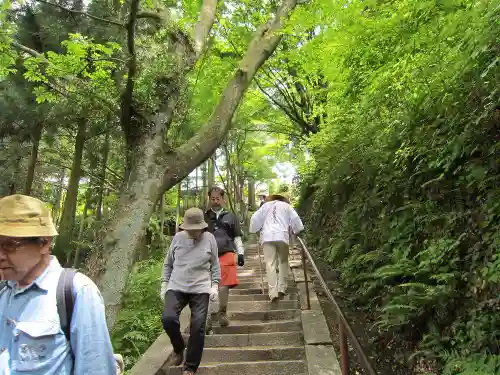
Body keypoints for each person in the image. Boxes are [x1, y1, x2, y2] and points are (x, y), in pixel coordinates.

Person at [0, 194, 116, 375]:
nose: (0, 255)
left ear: (44, 242)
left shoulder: (76, 292)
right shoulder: (4, 291)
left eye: (9, 245)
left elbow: (96, 369)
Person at [160, 207, 220, 375]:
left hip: (201, 287)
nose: (194, 233)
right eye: (190, 230)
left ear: (203, 227)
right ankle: (179, 348)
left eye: (197, 230)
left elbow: (215, 265)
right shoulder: (178, 238)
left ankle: (190, 367)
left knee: (198, 326)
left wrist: (214, 285)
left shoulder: (209, 239)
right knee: (168, 319)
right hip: (177, 285)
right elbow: (168, 263)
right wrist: (164, 284)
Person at [249, 192, 304, 302]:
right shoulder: (286, 206)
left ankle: (272, 292)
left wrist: (254, 230)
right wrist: (296, 230)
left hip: (267, 236)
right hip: (282, 236)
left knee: (270, 264)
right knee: (283, 262)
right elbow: (296, 219)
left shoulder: (264, 206)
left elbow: (254, 218)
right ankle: (282, 288)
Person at [204, 187, 244, 331]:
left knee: (224, 286)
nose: (215, 201)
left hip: (226, 253)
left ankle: (222, 312)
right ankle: (206, 317)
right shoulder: (204, 217)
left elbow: (237, 236)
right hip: (207, 256)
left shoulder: (231, 217)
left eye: (217, 199)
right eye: (212, 199)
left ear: (223, 199)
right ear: (209, 199)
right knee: (206, 286)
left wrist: (240, 253)